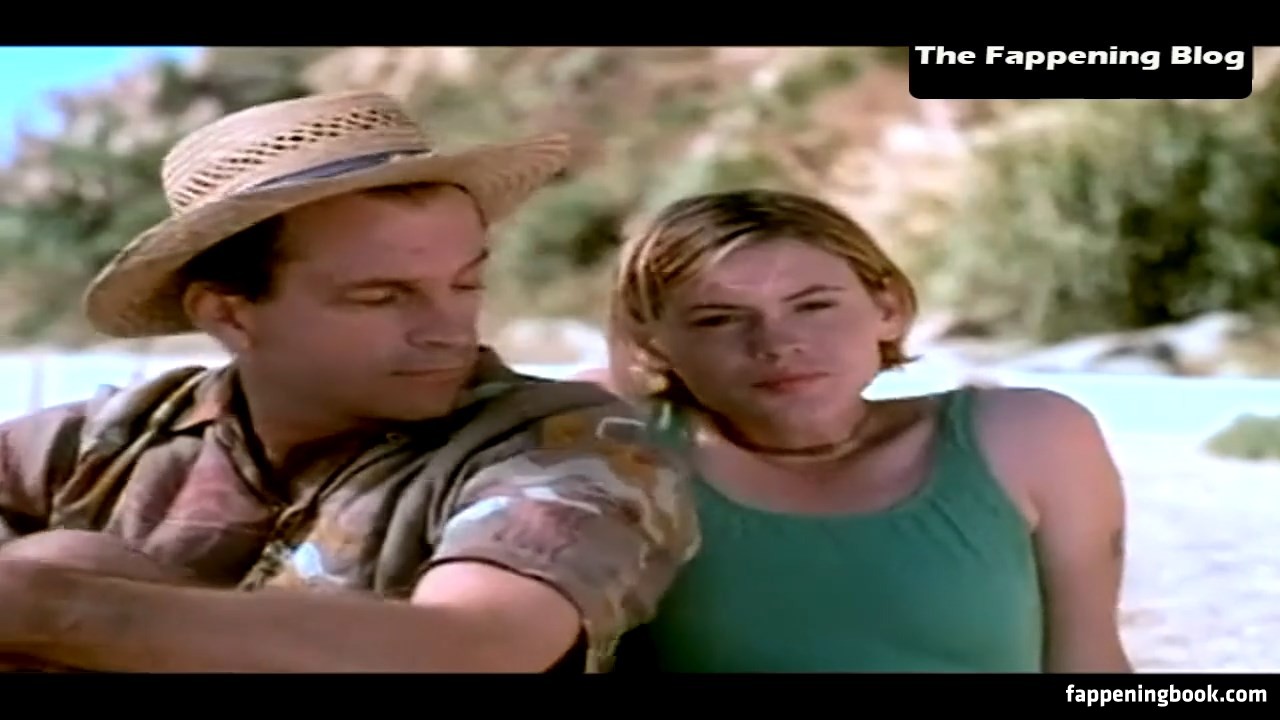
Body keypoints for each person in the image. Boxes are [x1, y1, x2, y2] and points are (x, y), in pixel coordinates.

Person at [0, 91, 700, 673]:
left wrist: (57, 608)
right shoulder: (106, 442)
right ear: (229, 315)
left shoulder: (561, 440)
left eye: (466, 284)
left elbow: (477, 646)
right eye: (382, 297)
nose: (449, 331)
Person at [582, 188, 1132, 672]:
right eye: (718, 319)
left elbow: (1089, 666)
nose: (778, 344)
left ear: (888, 308)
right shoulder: (619, 446)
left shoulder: (1029, 439)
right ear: (655, 343)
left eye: (813, 306)